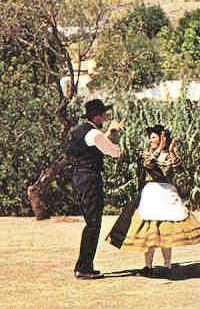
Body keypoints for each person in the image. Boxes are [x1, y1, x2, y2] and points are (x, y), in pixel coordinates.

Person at [107, 125, 200, 278]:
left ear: (162, 138)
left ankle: (167, 264)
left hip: (167, 193)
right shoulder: (148, 153)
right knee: (150, 230)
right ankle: (148, 265)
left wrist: (171, 152)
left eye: (154, 137)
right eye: (151, 137)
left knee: (165, 230)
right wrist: (159, 148)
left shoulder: (169, 155)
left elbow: (179, 170)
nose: (151, 140)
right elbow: (147, 164)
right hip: (152, 193)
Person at [68, 99, 123, 279]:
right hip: (90, 178)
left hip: (79, 176)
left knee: (90, 222)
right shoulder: (94, 134)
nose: (106, 117)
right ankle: (84, 267)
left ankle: (83, 265)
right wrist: (115, 135)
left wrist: (107, 134)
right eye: (104, 114)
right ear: (98, 116)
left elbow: (96, 142)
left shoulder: (79, 131)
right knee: (93, 223)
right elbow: (114, 152)